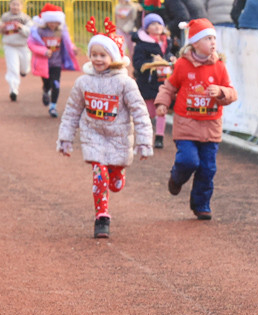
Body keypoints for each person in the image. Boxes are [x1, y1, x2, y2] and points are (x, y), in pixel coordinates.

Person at [56, 21, 153, 238]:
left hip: (118, 137)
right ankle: (102, 216)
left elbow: (139, 111)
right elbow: (72, 111)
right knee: (99, 175)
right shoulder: (83, 82)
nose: (98, 59)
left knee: (115, 184)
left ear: (114, 58)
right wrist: (65, 138)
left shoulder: (125, 83)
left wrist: (144, 141)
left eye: (103, 55)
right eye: (94, 54)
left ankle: (118, 171)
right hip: (93, 136)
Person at [155, 18, 237, 220]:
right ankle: (176, 178)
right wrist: (162, 103)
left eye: (214, 38)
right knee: (188, 160)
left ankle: (201, 204)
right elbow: (169, 87)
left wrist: (220, 92)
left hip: (211, 126)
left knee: (207, 169)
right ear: (195, 43)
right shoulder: (182, 65)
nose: (213, 42)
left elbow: (232, 93)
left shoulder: (219, 67)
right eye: (208, 38)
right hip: (186, 124)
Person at [27, 3, 78, 118]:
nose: (53, 24)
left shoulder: (61, 32)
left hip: (56, 63)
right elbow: (31, 44)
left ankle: (53, 107)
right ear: (46, 21)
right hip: (44, 64)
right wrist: (44, 51)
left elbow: (68, 43)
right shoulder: (39, 31)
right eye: (50, 21)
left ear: (59, 22)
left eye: (55, 22)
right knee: (47, 84)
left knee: (56, 84)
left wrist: (73, 49)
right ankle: (45, 91)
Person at [132, 13, 174, 150]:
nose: (157, 27)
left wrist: (172, 58)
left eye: (159, 24)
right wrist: (151, 62)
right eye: (153, 24)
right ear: (146, 28)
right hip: (148, 83)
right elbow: (137, 63)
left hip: (163, 82)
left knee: (161, 109)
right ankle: (145, 137)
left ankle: (159, 137)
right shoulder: (141, 44)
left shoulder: (167, 41)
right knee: (149, 113)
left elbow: (169, 54)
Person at [2, 0, 31, 102]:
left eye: (17, 5)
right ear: (9, 5)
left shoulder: (25, 18)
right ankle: (13, 90)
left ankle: (23, 72)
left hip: (23, 46)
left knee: (25, 68)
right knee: (13, 68)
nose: (15, 7)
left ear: (21, 6)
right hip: (10, 46)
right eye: (13, 4)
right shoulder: (5, 17)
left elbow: (30, 32)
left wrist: (21, 27)